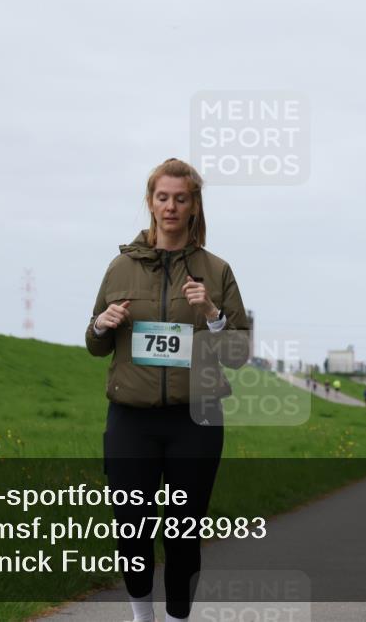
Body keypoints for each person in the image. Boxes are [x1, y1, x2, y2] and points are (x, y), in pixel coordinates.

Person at [86, 158, 249, 622]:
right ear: (150, 203)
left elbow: (238, 351)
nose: (171, 207)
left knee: (182, 532)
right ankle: (142, 616)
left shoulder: (216, 271)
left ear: (194, 205)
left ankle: (178, 618)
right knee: (131, 530)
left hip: (195, 419)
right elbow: (95, 344)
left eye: (181, 198)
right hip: (130, 421)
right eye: (163, 198)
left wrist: (214, 315)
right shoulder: (120, 268)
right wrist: (100, 324)